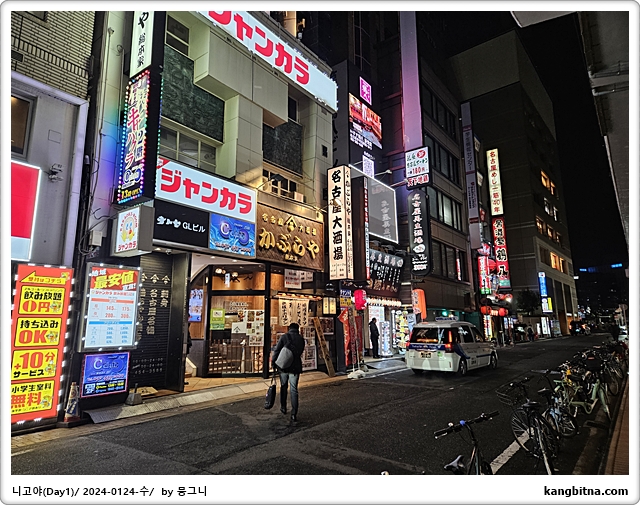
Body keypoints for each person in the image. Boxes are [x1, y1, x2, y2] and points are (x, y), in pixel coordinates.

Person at [272, 322, 305, 422]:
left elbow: (277, 350)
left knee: (283, 387)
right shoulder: (301, 339)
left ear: (289, 328)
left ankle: (283, 407)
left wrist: (274, 362)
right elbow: (300, 352)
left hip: (284, 366)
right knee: (294, 390)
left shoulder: (284, 337)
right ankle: (294, 413)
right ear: (297, 329)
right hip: (295, 367)